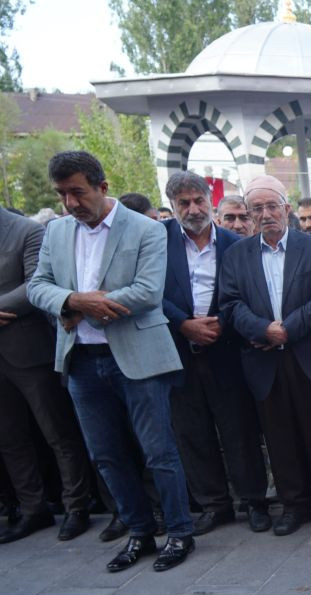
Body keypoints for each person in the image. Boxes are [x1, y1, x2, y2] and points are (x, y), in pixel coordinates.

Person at [26, 151, 195, 572]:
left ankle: (178, 532)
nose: (70, 203)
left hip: (138, 358)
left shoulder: (146, 229)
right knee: (106, 454)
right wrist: (70, 299)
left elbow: (147, 293)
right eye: (62, 194)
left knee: (158, 451)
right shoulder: (57, 232)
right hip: (81, 360)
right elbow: (37, 287)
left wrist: (80, 305)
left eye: (78, 192)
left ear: (102, 187)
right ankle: (139, 532)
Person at [218, 174, 311, 536]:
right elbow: (230, 304)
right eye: (256, 208)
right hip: (264, 359)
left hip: (308, 354)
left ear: (287, 209)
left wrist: (285, 329)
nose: (265, 213)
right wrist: (263, 330)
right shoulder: (237, 254)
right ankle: (294, 504)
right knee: (279, 435)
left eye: (272, 206)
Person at [159, 170, 270, 535]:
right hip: (179, 349)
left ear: (210, 199)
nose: (193, 209)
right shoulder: (158, 242)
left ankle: (253, 500)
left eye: (199, 200)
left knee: (239, 428)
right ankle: (213, 503)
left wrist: (223, 319)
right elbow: (149, 292)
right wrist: (183, 323)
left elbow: (247, 292)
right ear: (173, 206)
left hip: (226, 347)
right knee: (192, 430)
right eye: (184, 203)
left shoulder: (234, 243)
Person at [0, 206, 94, 543]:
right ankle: (32, 508)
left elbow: (33, 286)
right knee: (10, 438)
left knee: (58, 431)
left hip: (29, 350)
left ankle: (76, 506)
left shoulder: (26, 231)